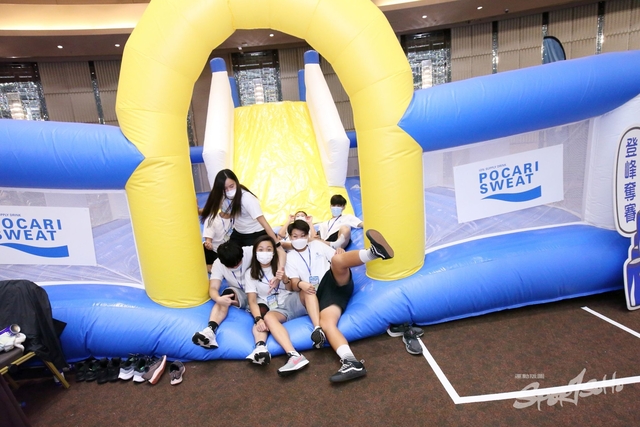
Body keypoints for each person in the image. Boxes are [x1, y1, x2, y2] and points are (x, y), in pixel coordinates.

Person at [280, 219, 394, 382]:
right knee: (326, 324)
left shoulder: (317, 245)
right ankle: (351, 362)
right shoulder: (290, 258)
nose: (299, 239)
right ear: (290, 237)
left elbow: (337, 258)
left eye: (303, 235)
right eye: (295, 236)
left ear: (307, 236)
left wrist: (340, 252)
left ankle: (373, 253)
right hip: (320, 295)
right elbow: (293, 283)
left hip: (333, 282)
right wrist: (300, 284)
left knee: (337, 260)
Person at [191, 239, 285, 349]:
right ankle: (210, 330)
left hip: (259, 292)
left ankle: (260, 346)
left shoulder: (249, 251)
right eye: (231, 267)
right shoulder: (218, 264)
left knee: (261, 313)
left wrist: (280, 270)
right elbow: (213, 287)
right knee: (226, 295)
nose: (235, 267)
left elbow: (280, 251)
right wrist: (218, 298)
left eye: (238, 263)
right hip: (240, 292)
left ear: (242, 255)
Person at [243, 235, 319, 369]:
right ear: (255, 252)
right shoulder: (250, 273)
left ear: (273, 252)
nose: (265, 253)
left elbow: (290, 288)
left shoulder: (281, 265)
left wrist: (284, 278)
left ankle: (318, 329)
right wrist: (258, 319)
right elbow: (252, 301)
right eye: (261, 249)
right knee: (268, 317)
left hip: (290, 300)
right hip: (277, 310)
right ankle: (294, 355)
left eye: (268, 249)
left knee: (307, 290)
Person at [200, 169, 277, 247]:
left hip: (255, 233)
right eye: (225, 189)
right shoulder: (222, 196)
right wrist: (197, 211)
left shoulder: (246, 198)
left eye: (231, 186)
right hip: (238, 233)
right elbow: (214, 210)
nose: (229, 190)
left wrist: (276, 243)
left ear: (236, 182)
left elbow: (263, 222)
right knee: (228, 251)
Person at [202, 198, 233, 274]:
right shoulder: (212, 219)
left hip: (229, 251)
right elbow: (208, 239)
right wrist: (208, 244)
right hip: (214, 250)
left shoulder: (237, 218)